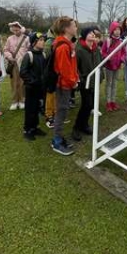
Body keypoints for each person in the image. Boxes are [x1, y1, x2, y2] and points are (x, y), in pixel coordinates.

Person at [51, 16, 79, 156]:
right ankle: (56, 141)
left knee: (63, 110)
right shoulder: (62, 46)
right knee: (61, 111)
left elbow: (71, 66)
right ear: (66, 28)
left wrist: (75, 78)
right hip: (63, 85)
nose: (76, 28)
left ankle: (59, 136)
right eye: (74, 25)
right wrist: (73, 81)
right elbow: (64, 69)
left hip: (66, 84)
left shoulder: (67, 44)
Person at [73, 26, 102, 140]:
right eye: (90, 33)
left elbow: (100, 63)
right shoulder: (79, 49)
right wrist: (81, 79)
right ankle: (76, 128)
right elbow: (75, 67)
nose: (93, 34)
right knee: (86, 104)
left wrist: (101, 77)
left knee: (89, 105)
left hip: (95, 81)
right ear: (84, 35)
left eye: (93, 33)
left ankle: (84, 125)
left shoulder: (95, 49)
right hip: (85, 82)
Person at [19, 32, 47, 140]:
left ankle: (35, 127)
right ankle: (27, 129)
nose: (43, 42)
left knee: (37, 108)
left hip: (40, 88)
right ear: (34, 42)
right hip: (31, 88)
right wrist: (32, 81)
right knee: (30, 109)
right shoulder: (29, 55)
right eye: (40, 40)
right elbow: (23, 72)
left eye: (43, 40)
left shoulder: (43, 54)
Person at [3, 21, 29, 111]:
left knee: (22, 83)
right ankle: (14, 101)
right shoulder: (9, 39)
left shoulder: (26, 38)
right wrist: (10, 57)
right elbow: (5, 50)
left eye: (17, 30)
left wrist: (27, 60)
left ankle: (22, 100)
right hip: (13, 63)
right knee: (14, 83)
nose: (16, 32)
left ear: (20, 29)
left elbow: (29, 50)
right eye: (14, 30)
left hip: (24, 64)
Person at [101, 21, 126, 112]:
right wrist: (107, 58)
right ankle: (108, 102)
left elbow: (124, 52)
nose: (117, 31)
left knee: (115, 84)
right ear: (112, 30)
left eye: (119, 29)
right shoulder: (107, 41)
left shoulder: (121, 41)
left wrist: (122, 60)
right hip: (109, 66)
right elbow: (103, 52)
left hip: (117, 66)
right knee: (109, 84)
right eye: (115, 29)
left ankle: (113, 101)